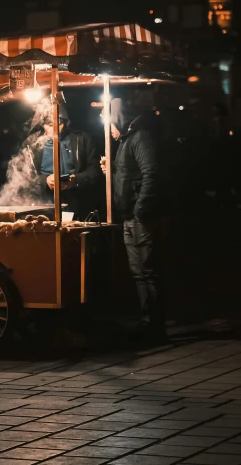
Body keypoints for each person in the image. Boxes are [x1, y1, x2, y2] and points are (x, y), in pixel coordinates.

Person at [100, 93, 167, 344]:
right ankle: (147, 322)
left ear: (118, 119)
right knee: (138, 271)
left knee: (148, 270)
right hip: (129, 214)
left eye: (110, 125)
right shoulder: (126, 141)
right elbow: (131, 173)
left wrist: (140, 208)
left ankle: (155, 327)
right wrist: (113, 169)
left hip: (141, 216)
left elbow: (151, 174)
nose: (110, 132)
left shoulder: (140, 137)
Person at [22, 98, 100, 219]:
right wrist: (45, 180)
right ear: (42, 124)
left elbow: (95, 169)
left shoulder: (82, 139)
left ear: (65, 121)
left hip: (77, 202)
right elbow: (26, 176)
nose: (55, 129)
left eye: (60, 123)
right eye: (50, 125)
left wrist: (76, 180)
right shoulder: (31, 143)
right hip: (43, 204)